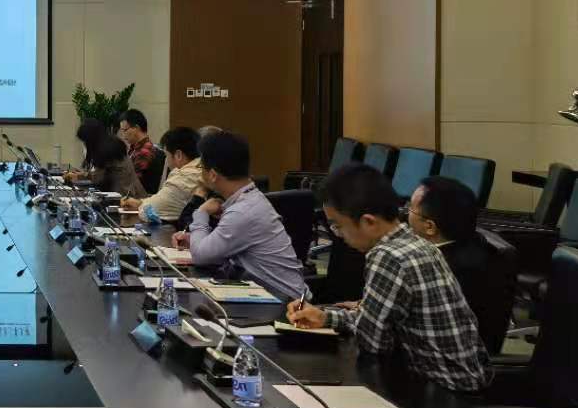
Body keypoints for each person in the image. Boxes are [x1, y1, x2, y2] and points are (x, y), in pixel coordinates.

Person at [287, 165, 489, 392]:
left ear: (369, 222)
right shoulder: (414, 242)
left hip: (443, 393)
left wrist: (337, 318)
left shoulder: (388, 256)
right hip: (457, 382)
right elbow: (373, 323)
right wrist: (325, 318)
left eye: (337, 226)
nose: (338, 235)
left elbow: (373, 342)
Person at [170, 130, 305, 301]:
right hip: (269, 295)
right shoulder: (249, 199)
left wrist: (201, 213)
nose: (199, 173)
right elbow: (220, 246)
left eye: (201, 167)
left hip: (286, 304)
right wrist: (194, 239)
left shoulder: (243, 211)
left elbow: (201, 256)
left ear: (213, 175)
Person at [406, 175, 511, 354]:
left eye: (410, 208)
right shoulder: (469, 243)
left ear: (430, 227)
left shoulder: (444, 272)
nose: (405, 213)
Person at [121, 126, 202, 222]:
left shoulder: (184, 178)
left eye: (167, 155)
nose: (166, 160)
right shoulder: (198, 168)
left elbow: (152, 212)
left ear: (178, 155)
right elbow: (162, 199)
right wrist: (140, 203)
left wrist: (141, 206)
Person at [86, 130, 146, 199]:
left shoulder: (107, 156)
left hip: (128, 198)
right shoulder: (119, 152)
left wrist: (82, 175)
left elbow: (97, 178)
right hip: (136, 194)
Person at [116, 109, 156, 186]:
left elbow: (132, 182)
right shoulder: (134, 148)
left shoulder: (145, 150)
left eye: (125, 130)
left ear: (136, 128)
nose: (123, 135)